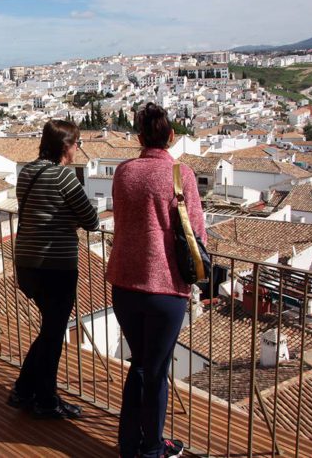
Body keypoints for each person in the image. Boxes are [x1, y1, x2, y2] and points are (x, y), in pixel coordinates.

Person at [106, 103, 205, 458]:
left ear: (138, 138)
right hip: (165, 286)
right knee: (156, 370)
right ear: (172, 136)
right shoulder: (182, 175)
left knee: (141, 365)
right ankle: (151, 448)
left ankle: (129, 442)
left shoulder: (122, 172)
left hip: (124, 281)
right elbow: (196, 232)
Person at [8, 119, 99, 419]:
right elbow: (91, 221)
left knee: (49, 330)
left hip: (26, 264)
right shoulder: (65, 178)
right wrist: (69, 219)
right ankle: (46, 400)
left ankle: (24, 390)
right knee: (53, 332)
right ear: (65, 147)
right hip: (56, 266)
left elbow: (37, 211)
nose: (78, 149)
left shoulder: (27, 173)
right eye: (76, 144)